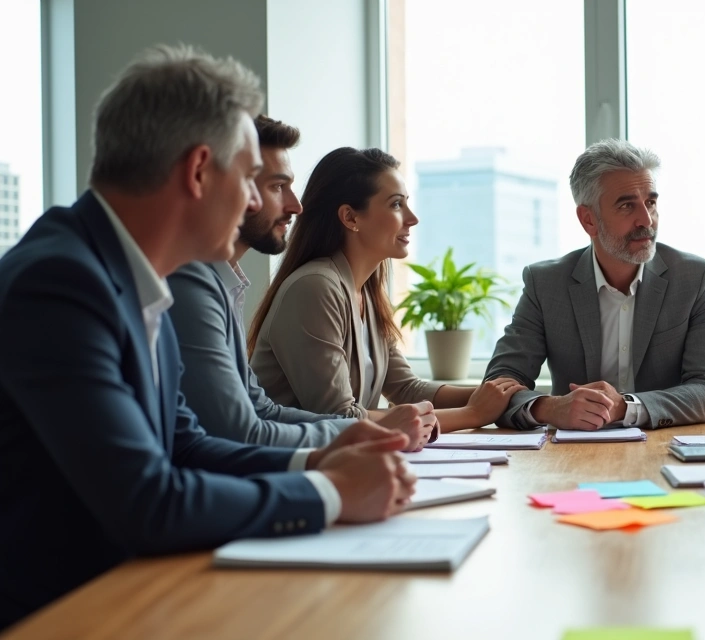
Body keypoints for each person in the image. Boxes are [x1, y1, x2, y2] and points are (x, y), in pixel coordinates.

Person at [0, 46, 416, 630]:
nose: (257, 201)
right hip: (67, 613)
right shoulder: (61, 283)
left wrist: (320, 458)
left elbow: (187, 444)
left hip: (139, 590)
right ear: (198, 171)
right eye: (250, 178)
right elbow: (148, 502)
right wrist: (330, 492)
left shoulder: (139, 274)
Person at [168, 116, 437, 448]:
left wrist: (369, 431)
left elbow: (260, 411)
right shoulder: (192, 284)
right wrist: (374, 432)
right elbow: (240, 431)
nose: (296, 206)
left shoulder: (226, 284)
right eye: (276, 186)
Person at [248, 147, 523, 430]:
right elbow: (339, 417)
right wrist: (473, 415)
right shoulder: (315, 287)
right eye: (395, 204)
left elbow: (407, 389)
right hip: (293, 463)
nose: (412, 218)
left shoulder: (366, 292)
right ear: (351, 218)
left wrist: (505, 398)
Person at [484, 139, 705, 430]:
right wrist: (551, 407)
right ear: (589, 220)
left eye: (650, 202)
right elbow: (497, 386)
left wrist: (625, 407)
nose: (646, 220)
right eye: (627, 205)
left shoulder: (695, 278)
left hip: (663, 448)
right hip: (570, 454)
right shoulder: (545, 284)